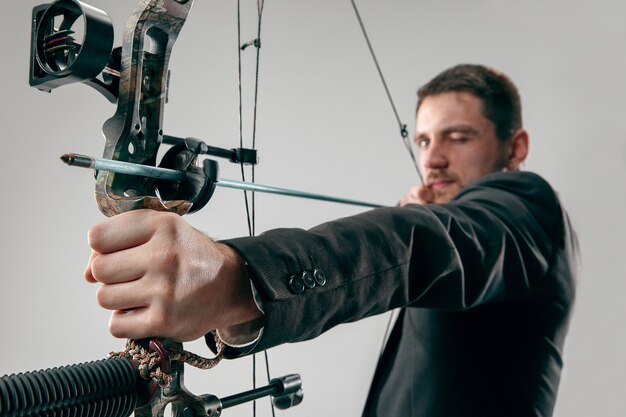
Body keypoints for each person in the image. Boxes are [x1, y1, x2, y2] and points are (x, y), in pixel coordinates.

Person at [85, 64, 578, 417]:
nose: (433, 160)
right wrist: (233, 314)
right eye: (425, 140)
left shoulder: (526, 205)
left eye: (458, 137)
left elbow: (421, 245)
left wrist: (238, 278)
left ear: (515, 148)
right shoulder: (456, 228)